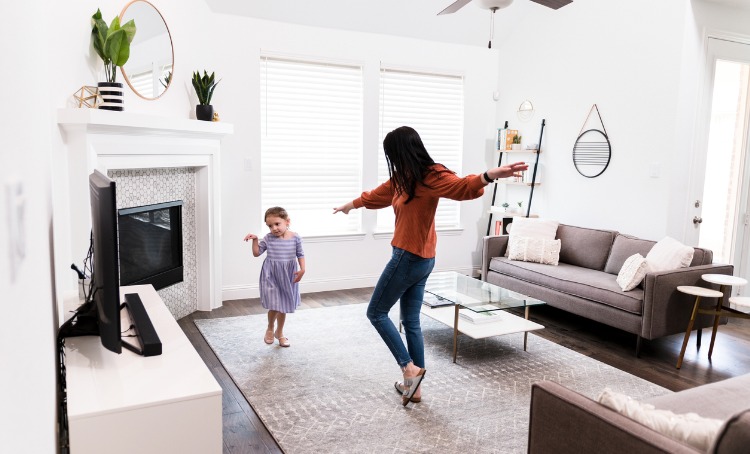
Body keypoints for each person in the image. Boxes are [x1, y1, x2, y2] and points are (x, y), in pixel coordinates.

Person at [333, 126, 527, 406]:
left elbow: (461, 186)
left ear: (402, 151)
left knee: (376, 312)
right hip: (423, 259)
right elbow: (377, 195)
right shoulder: (403, 178)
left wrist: (489, 176)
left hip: (407, 257)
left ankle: (408, 367)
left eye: (392, 154)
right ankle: (416, 388)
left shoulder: (430, 175)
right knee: (410, 321)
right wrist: (350, 206)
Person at [243, 207, 306, 348]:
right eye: (270, 226)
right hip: (271, 275)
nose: (274, 228)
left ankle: (280, 332)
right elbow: (257, 253)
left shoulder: (295, 237)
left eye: (277, 224)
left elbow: (300, 254)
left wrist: (302, 269)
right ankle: (270, 328)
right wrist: (255, 240)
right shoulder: (269, 238)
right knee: (274, 305)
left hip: (288, 275)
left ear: (287, 221)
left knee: (282, 306)